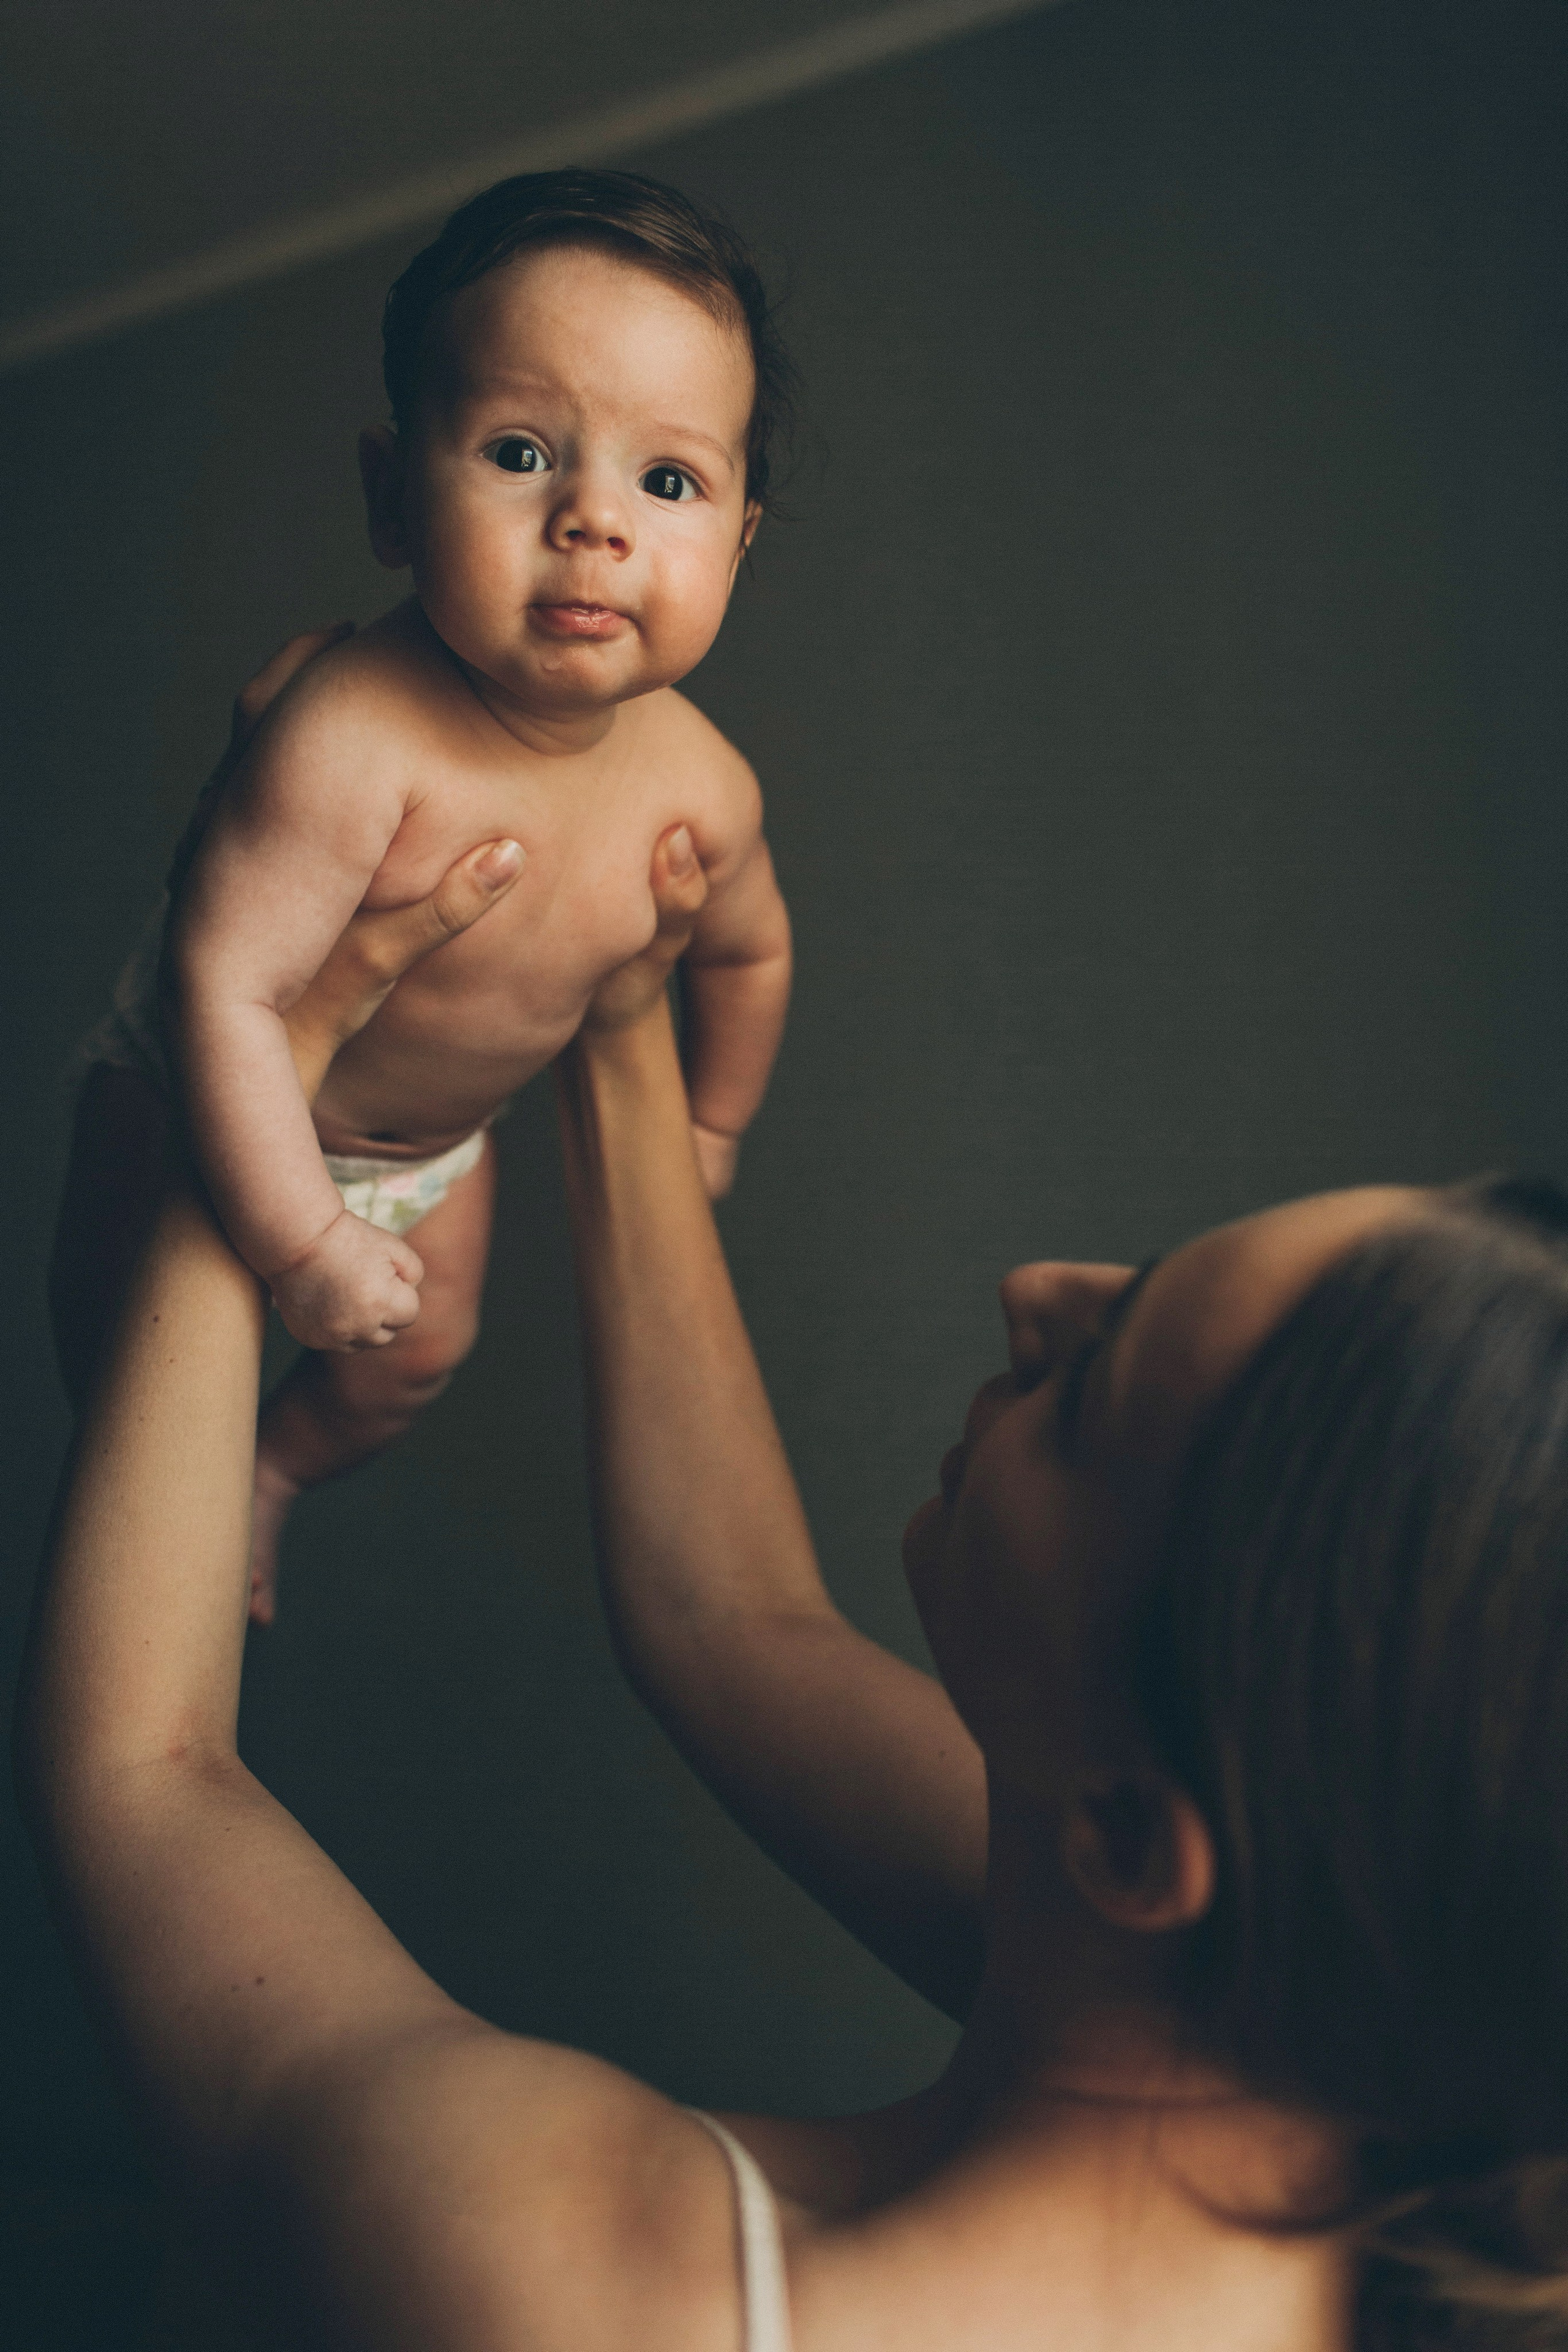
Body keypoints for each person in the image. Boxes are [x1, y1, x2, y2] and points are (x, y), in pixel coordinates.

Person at [23, 652, 1568, 2352]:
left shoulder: (560, 2273)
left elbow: (149, 1772)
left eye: (1101, 1384)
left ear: (1138, 1841)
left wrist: (264, 1053)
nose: (1035, 1293)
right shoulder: (1340, 2037)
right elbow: (731, 1620)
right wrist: (622, 994)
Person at [50, 168, 794, 1621]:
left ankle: (274, 1474)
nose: (593, 519)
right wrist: (300, 1241)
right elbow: (229, 988)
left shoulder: (702, 788)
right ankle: (146, 1500)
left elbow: (747, 955)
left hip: (433, 1148)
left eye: (666, 481)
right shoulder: (350, 734)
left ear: (739, 541)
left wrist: (712, 1122)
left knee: (415, 1358)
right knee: (121, 1347)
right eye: (521, 452)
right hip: (205, 1083)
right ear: (392, 498)